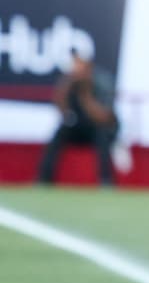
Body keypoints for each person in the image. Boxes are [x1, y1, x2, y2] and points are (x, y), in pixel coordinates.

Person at [37, 52, 119, 187]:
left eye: (79, 64)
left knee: (102, 137)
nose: (75, 67)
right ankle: (43, 180)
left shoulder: (102, 81)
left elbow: (104, 117)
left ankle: (106, 181)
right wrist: (67, 85)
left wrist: (85, 93)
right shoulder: (69, 81)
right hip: (77, 126)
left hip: (98, 127)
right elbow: (61, 110)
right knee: (59, 133)